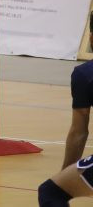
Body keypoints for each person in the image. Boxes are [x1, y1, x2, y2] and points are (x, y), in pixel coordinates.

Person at [36, 13, 93, 205]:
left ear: (91, 39)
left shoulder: (85, 74)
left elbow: (79, 132)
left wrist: (65, 175)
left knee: (51, 192)